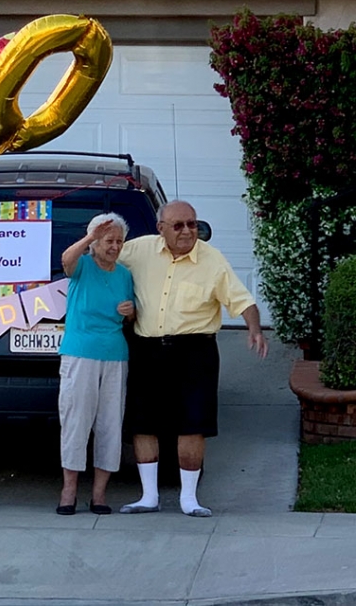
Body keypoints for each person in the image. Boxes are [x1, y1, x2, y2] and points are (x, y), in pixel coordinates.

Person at [118, 200, 268, 518]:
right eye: (179, 225)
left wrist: (254, 328)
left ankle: (189, 498)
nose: (188, 231)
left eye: (193, 224)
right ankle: (149, 496)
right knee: (144, 424)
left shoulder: (213, 260)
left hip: (195, 351)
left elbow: (242, 300)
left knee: (193, 423)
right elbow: (102, 263)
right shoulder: (138, 250)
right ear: (161, 229)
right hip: (147, 348)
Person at [55, 213, 135, 515]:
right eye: (108, 241)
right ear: (95, 242)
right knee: (76, 420)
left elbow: (133, 316)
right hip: (80, 352)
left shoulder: (124, 275)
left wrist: (130, 312)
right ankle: (69, 490)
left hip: (115, 354)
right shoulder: (83, 266)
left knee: (110, 423)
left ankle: (99, 494)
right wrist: (89, 237)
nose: (114, 247)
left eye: (118, 241)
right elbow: (67, 259)